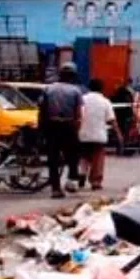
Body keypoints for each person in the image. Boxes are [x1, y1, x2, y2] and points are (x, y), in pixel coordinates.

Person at [39, 63, 85, 198]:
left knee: (53, 158)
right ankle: (72, 180)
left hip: (52, 126)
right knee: (73, 155)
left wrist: (42, 128)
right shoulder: (76, 91)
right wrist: (76, 130)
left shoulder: (49, 89)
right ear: (73, 76)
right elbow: (78, 114)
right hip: (68, 125)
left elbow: (42, 109)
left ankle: (55, 189)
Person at [77, 79, 118, 190]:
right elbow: (111, 120)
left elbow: (77, 115)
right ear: (101, 88)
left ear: (89, 87)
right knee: (97, 159)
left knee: (84, 156)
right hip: (99, 136)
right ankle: (95, 182)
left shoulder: (82, 99)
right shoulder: (105, 102)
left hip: (83, 134)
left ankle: (82, 173)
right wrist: (119, 134)